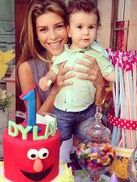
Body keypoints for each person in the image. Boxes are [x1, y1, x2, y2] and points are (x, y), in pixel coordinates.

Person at [16, 0, 106, 145]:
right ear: (36, 34)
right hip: (52, 147)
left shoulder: (90, 56)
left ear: (69, 27)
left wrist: (100, 85)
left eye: (58, 27)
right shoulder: (27, 68)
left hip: (84, 147)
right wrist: (55, 90)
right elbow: (36, 120)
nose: (53, 36)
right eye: (43, 29)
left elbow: (97, 113)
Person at [38, 0, 115, 142]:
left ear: (97, 29)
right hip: (62, 112)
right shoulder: (62, 54)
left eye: (91, 27)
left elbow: (110, 74)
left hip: (87, 111)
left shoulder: (98, 54)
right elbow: (53, 72)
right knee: (58, 140)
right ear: (69, 31)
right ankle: (62, 161)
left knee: (92, 140)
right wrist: (47, 79)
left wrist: (126, 77)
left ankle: (86, 159)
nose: (86, 33)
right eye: (79, 27)